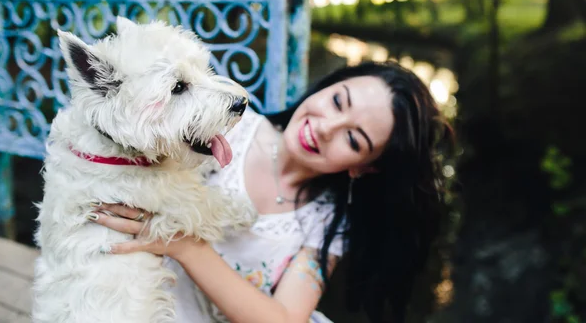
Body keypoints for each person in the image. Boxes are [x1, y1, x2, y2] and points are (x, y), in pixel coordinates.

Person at [88, 61, 454, 323]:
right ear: (328, 84)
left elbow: (283, 318)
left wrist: (183, 244)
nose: (327, 127)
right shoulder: (226, 128)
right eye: (338, 102)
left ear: (365, 166)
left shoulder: (326, 222)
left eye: (353, 138)